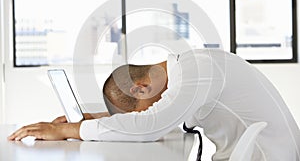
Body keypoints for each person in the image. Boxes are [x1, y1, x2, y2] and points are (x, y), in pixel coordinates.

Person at [8, 49, 300, 160]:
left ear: (140, 87)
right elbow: (160, 116)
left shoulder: (197, 71)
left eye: (137, 107)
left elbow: (150, 124)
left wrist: (70, 130)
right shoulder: (189, 70)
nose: (144, 112)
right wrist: (91, 118)